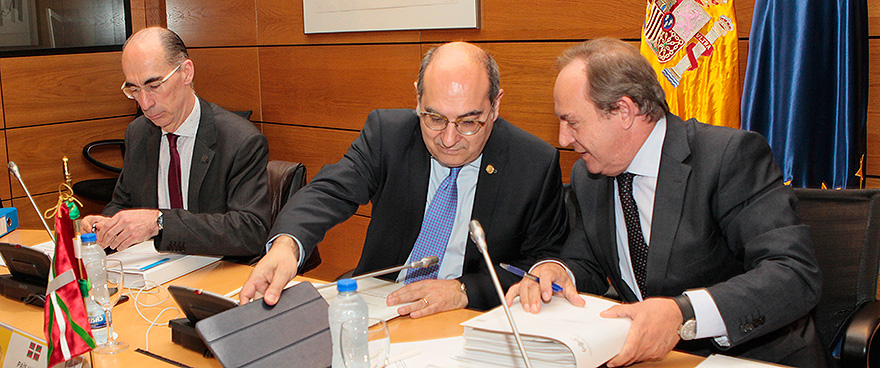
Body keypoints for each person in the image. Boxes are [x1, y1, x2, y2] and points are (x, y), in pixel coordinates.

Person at [505, 38, 825, 367]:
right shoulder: (591, 176)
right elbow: (588, 263)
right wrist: (558, 272)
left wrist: (682, 313)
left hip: (747, 356)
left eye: (572, 121)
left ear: (624, 111)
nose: (563, 139)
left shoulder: (728, 158)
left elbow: (794, 274)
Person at [240, 42, 568, 318]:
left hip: (469, 318)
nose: (449, 139)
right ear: (417, 97)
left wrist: (465, 289)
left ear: (495, 105)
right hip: (383, 305)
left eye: (469, 122)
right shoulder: (389, 134)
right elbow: (331, 191)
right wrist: (286, 246)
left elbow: (540, 263)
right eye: (434, 118)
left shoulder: (533, 163)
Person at [81, 27, 271, 258]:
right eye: (134, 90)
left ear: (186, 72)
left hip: (217, 270)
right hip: (154, 269)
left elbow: (249, 231)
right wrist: (106, 225)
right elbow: (123, 202)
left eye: (154, 86)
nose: (145, 103)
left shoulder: (240, 140)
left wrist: (161, 223)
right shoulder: (139, 133)